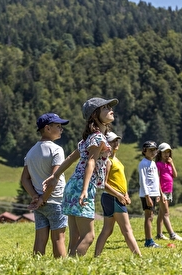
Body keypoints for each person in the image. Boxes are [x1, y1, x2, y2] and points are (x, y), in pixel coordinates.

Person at [43, 97, 117, 257]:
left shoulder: (88, 139)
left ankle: (67, 271)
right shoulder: (97, 138)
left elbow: (70, 157)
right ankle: (70, 269)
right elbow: (91, 161)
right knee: (88, 236)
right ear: (95, 115)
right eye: (105, 108)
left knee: (75, 237)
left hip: (72, 187)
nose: (110, 109)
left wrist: (55, 176)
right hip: (83, 186)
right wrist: (85, 190)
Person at [21, 113, 69, 258]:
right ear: (47, 128)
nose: (61, 129)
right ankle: (63, 271)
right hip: (55, 201)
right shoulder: (56, 150)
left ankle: (36, 268)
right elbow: (53, 179)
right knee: (59, 239)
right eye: (58, 126)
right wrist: (44, 198)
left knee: (40, 239)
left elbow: (24, 179)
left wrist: (36, 197)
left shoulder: (31, 152)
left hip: (40, 205)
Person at [94, 132, 142, 257]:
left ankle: (96, 256)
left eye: (117, 141)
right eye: (112, 141)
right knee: (127, 230)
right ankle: (139, 257)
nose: (116, 143)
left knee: (107, 230)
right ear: (106, 144)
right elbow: (104, 184)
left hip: (113, 197)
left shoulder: (116, 160)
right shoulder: (108, 161)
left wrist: (126, 194)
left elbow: (120, 180)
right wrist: (119, 196)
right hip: (113, 198)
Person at [155, 143, 182, 241]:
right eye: (164, 152)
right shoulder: (158, 164)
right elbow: (157, 179)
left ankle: (159, 234)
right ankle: (172, 235)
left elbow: (175, 175)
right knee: (166, 213)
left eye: (168, 152)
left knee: (161, 213)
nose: (166, 154)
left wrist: (172, 163)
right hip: (162, 192)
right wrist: (161, 193)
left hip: (168, 191)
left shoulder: (168, 164)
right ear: (160, 153)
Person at [138, 141, 161, 248]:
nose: (153, 152)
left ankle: (150, 240)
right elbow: (143, 181)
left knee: (151, 216)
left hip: (153, 193)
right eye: (150, 150)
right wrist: (147, 196)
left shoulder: (153, 163)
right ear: (144, 151)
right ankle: (148, 241)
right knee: (149, 216)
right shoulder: (143, 163)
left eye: (154, 150)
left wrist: (158, 194)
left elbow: (155, 179)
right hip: (147, 194)